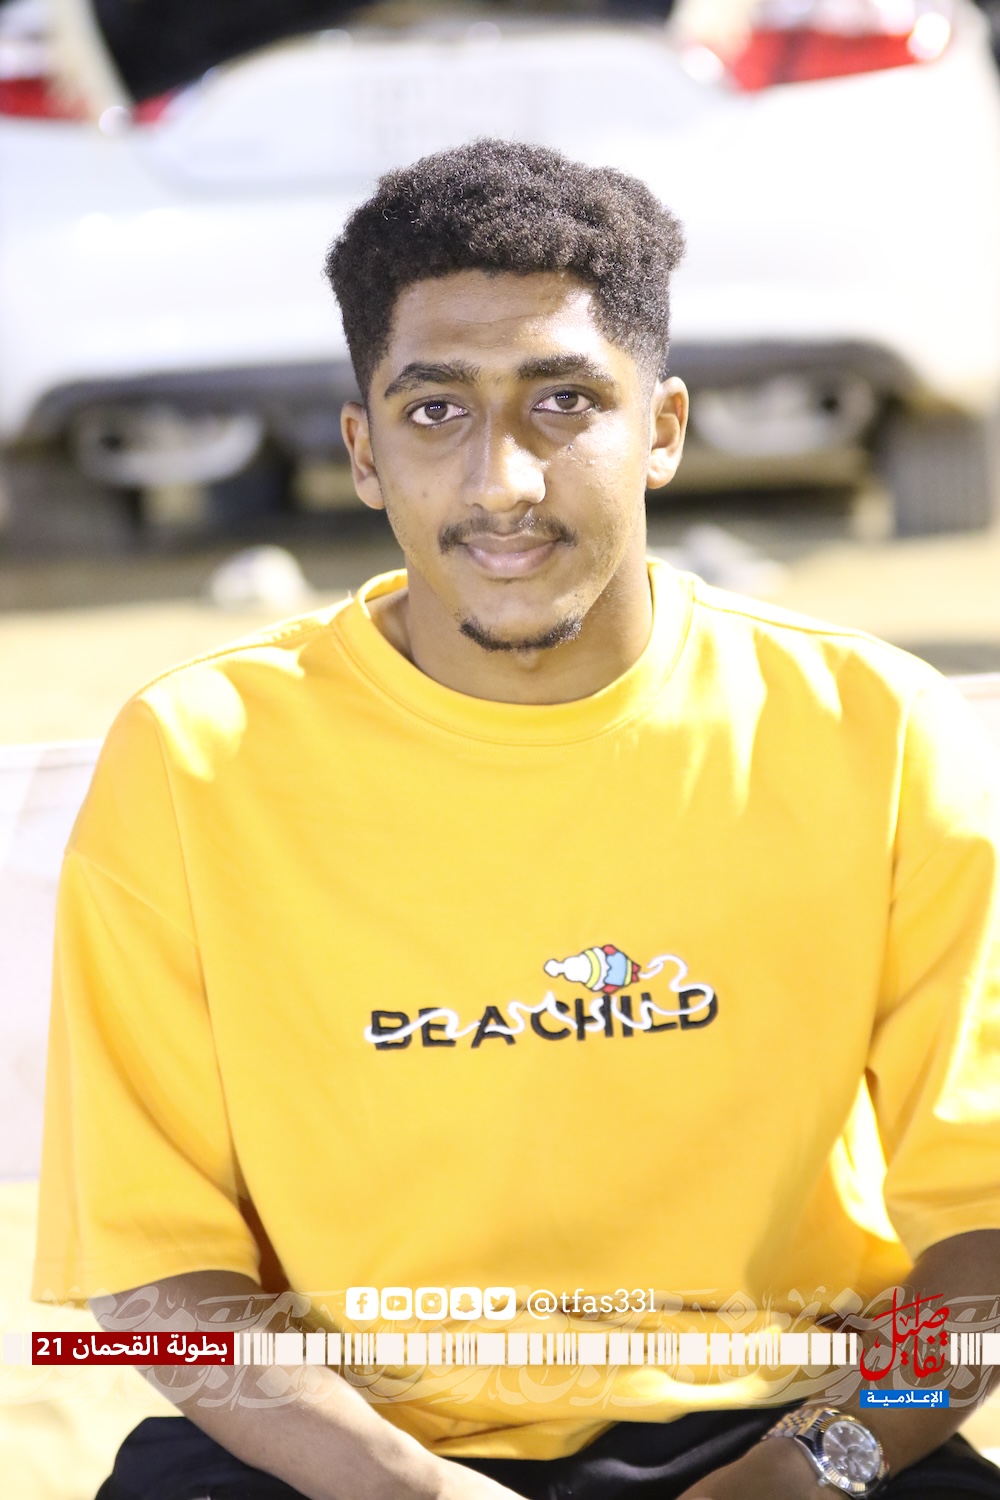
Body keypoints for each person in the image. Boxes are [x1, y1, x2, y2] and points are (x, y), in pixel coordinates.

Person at [32, 139, 1000, 1500]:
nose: (502, 480)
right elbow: (150, 1286)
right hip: (334, 1451)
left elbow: (984, 1255)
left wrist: (811, 1468)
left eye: (564, 401)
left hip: (785, 1428)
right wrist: (406, 1486)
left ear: (662, 428)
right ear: (364, 452)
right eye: (435, 410)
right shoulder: (197, 757)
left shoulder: (873, 731)